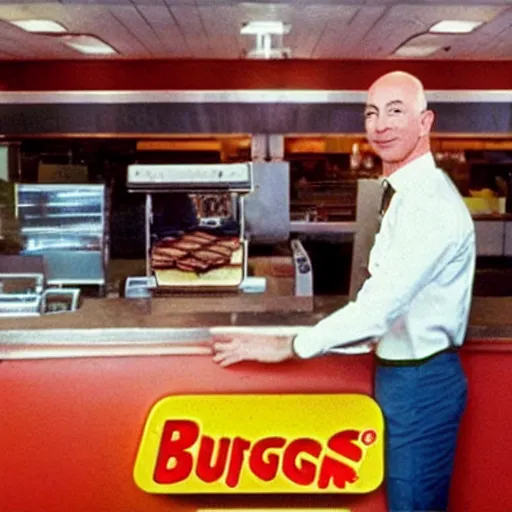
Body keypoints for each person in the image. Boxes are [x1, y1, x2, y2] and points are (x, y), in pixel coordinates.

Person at [211, 70, 476, 512]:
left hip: (421, 382)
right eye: (372, 113)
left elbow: (377, 310)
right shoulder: (407, 194)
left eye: (396, 112)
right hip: (403, 375)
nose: (381, 125)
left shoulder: (429, 204)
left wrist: (289, 345)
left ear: (425, 122)